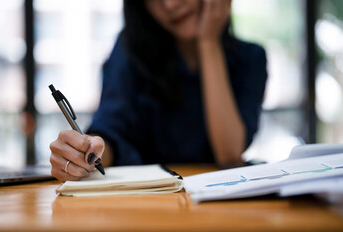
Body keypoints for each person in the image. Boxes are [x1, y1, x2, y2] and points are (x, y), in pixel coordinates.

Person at [49, 0, 267, 181]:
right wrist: (84, 153)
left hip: (223, 207)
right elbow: (110, 132)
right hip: (149, 205)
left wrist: (209, 42)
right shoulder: (130, 51)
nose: (170, 5)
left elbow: (229, 155)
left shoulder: (250, 59)